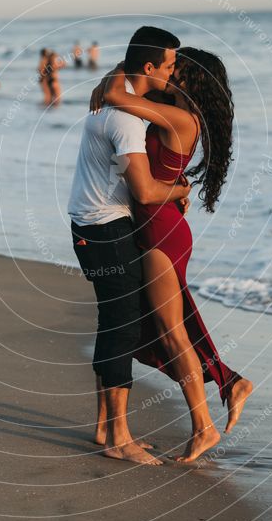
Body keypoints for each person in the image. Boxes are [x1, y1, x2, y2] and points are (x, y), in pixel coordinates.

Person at [90, 42, 253, 463]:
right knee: (173, 322)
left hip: (161, 231)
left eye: (177, 68)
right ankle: (229, 383)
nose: (170, 71)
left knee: (171, 331)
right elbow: (121, 93)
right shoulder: (171, 108)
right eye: (168, 65)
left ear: (191, 79)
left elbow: (114, 94)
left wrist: (124, 70)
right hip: (157, 225)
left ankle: (204, 427)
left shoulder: (180, 117)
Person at [68, 27, 191, 465]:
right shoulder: (126, 121)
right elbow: (143, 191)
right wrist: (179, 190)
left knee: (114, 322)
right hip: (106, 229)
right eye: (171, 65)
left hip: (90, 226)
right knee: (121, 327)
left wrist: (112, 78)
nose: (175, 73)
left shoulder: (110, 103)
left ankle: (106, 427)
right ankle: (119, 438)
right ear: (150, 67)